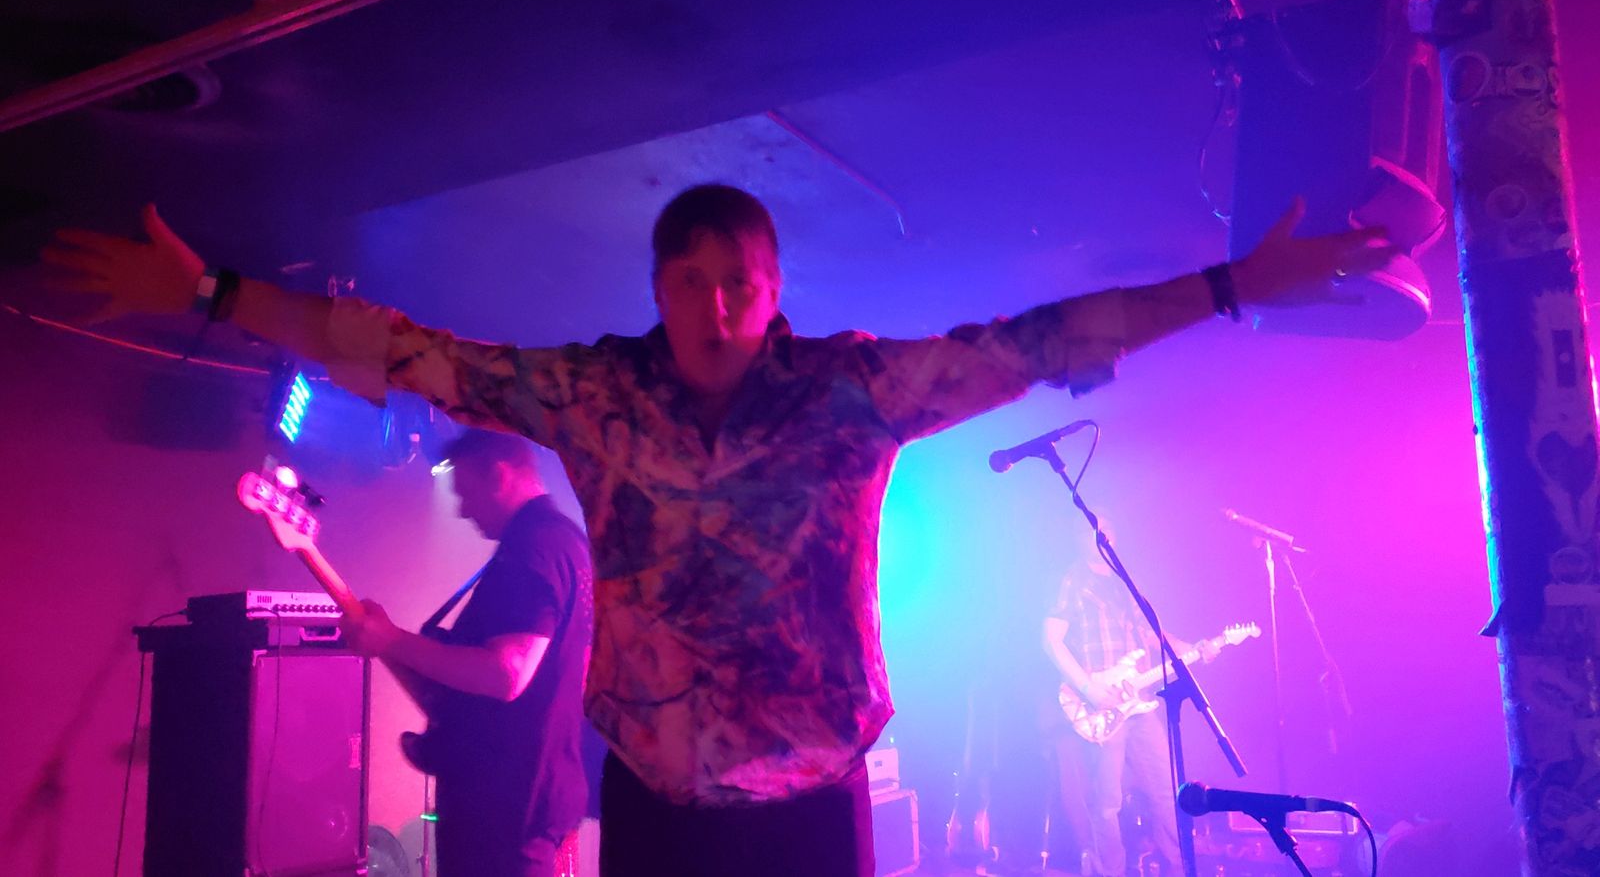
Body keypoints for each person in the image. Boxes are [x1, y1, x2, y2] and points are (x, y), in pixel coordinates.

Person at [42, 184, 1394, 876]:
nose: (717, 304)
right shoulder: (596, 395)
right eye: (690, 281)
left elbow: (1034, 344)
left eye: (740, 280)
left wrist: (1230, 285)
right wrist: (215, 294)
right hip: (658, 800)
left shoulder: (848, 393)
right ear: (658, 290)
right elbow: (406, 352)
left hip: (806, 802)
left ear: (775, 287)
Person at [340, 429, 594, 877]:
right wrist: (387, 641)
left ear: (499, 475)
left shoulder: (536, 545)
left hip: (505, 802)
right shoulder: (555, 542)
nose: (460, 509)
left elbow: (505, 674)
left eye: (466, 493)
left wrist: (392, 640)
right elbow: (468, 691)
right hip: (512, 798)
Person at [1043, 524, 1219, 877]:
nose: (1102, 535)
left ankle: (1179, 869)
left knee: (1167, 791)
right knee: (1107, 802)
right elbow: (1050, 639)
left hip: (1138, 702)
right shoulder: (1072, 581)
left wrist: (1189, 648)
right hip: (1102, 703)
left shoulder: (1125, 583)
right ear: (1078, 538)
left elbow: (1151, 634)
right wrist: (1088, 688)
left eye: (1107, 529)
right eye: (1092, 529)